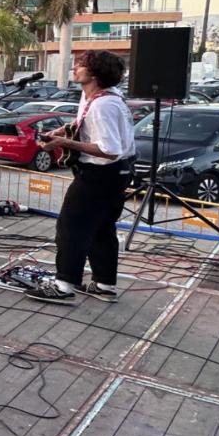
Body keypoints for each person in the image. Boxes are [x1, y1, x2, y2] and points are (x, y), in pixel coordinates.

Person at [32, 51, 137, 303]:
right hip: (115, 173)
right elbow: (83, 125)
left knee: (71, 228)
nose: (75, 67)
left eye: (82, 65)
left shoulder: (104, 105)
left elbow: (109, 150)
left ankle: (64, 285)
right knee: (101, 229)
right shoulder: (95, 97)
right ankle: (104, 284)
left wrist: (64, 142)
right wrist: (58, 132)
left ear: (95, 74)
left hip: (101, 174)